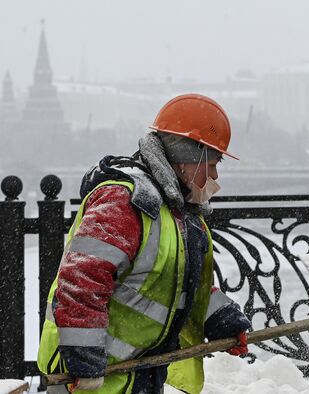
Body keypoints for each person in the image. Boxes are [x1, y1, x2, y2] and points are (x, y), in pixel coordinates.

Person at [37, 94, 252, 394]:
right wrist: (83, 359)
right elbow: (81, 279)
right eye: (213, 163)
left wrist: (221, 318)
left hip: (137, 377)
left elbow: (174, 284)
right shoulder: (125, 201)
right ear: (190, 155)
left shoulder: (179, 213)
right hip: (89, 382)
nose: (215, 176)